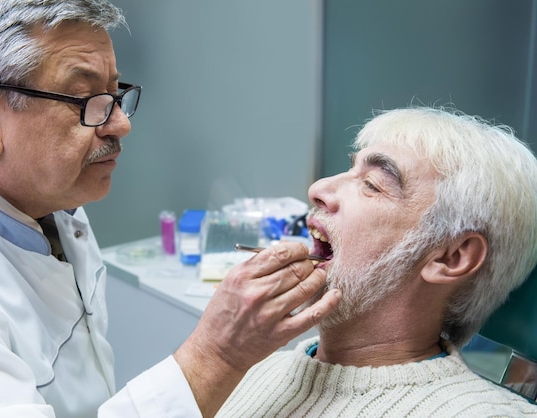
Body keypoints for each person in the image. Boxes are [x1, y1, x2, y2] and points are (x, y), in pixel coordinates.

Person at [0, 1, 342, 417]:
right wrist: (218, 354)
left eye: (115, 92)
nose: (121, 123)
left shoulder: (41, 196)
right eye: (84, 100)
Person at [216, 107, 537, 417]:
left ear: (451, 257)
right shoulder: (244, 371)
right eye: (351, 168)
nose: (318, 189)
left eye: (372, 184)